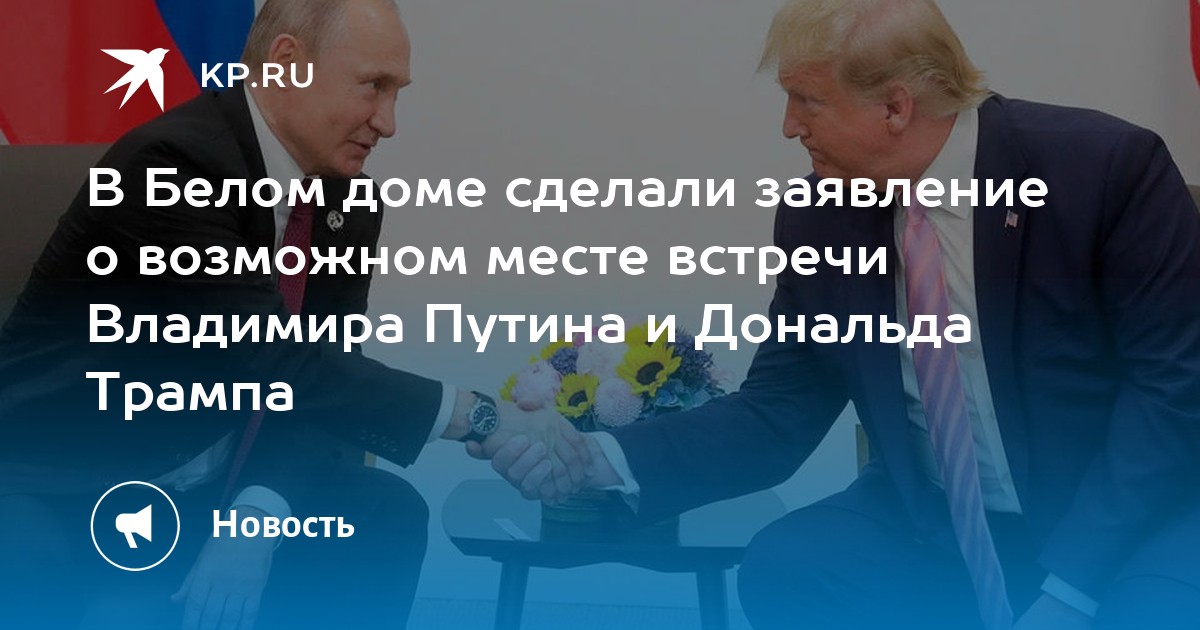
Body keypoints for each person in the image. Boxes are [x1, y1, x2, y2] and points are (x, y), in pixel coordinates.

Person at [490, 1, 1200, 628]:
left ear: (895, 107)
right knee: (790, 567)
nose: (788, 127)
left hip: (1124, 521)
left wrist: (1073, 592)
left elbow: (1172, 390)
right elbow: (778, 411)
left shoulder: (1104, 170)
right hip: (935, 521)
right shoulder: (820, 216)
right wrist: (600, 459)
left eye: (806, 101)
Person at [0, 0, 585, 628]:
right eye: (373, 86)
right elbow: (274, 355)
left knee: (383, 512)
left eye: (397, 93)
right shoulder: (171, 163)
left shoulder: (348, 201)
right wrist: (478, 416)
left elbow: (327, 375)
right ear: (287, 62)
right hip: (64, 483)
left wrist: (254, 520)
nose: (388, 123)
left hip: (209, 489)